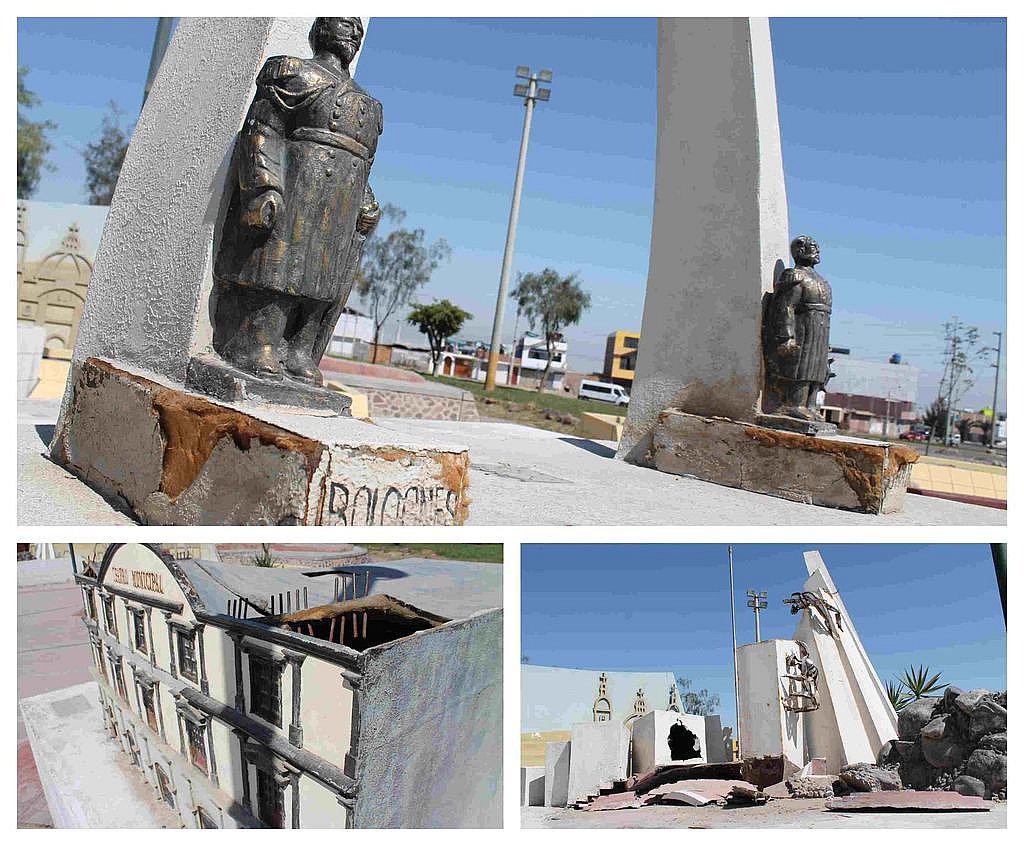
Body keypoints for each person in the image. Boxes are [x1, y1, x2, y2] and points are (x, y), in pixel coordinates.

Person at [212, 17, 381, 387]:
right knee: (281, 268)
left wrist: (367, 202)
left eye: (358, 29)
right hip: (301, 185)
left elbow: (364, 163)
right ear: (320, 30)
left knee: (324, 278)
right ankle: (261, 343)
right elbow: (262, 128)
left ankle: (301, 350)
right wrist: (264, 186)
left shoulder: (370, 104)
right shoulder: (291, 73)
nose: (353, 34)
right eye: (344, 25)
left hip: (341, 201)